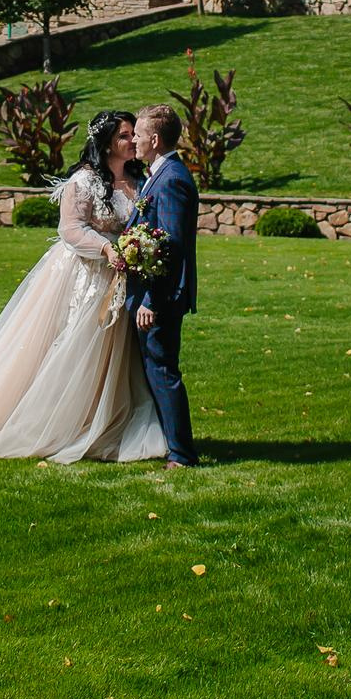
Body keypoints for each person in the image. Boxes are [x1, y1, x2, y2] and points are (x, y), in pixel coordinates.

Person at [0, 111, 167, 463]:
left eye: (132, 134)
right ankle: (58, 422)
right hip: (84, 275)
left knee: (113, 356)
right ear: (107, 142)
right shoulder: (84, 181)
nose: (132, 141)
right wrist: (106, 249)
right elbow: (71, 229)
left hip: (122, 276)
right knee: (74, 347)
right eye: (125, 135)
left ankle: (104, 419)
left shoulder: (138, 179)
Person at [124, 101, 199, 469]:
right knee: (156, 368)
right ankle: (167, 443)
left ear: (154, 140)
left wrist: (151, 301)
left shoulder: (171, 180)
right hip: (153, 294)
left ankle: (182, 454)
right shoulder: (160, 173)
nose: (133, 141)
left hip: (161, 297)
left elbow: (169, 246)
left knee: (163, 370)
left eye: (138, 135)